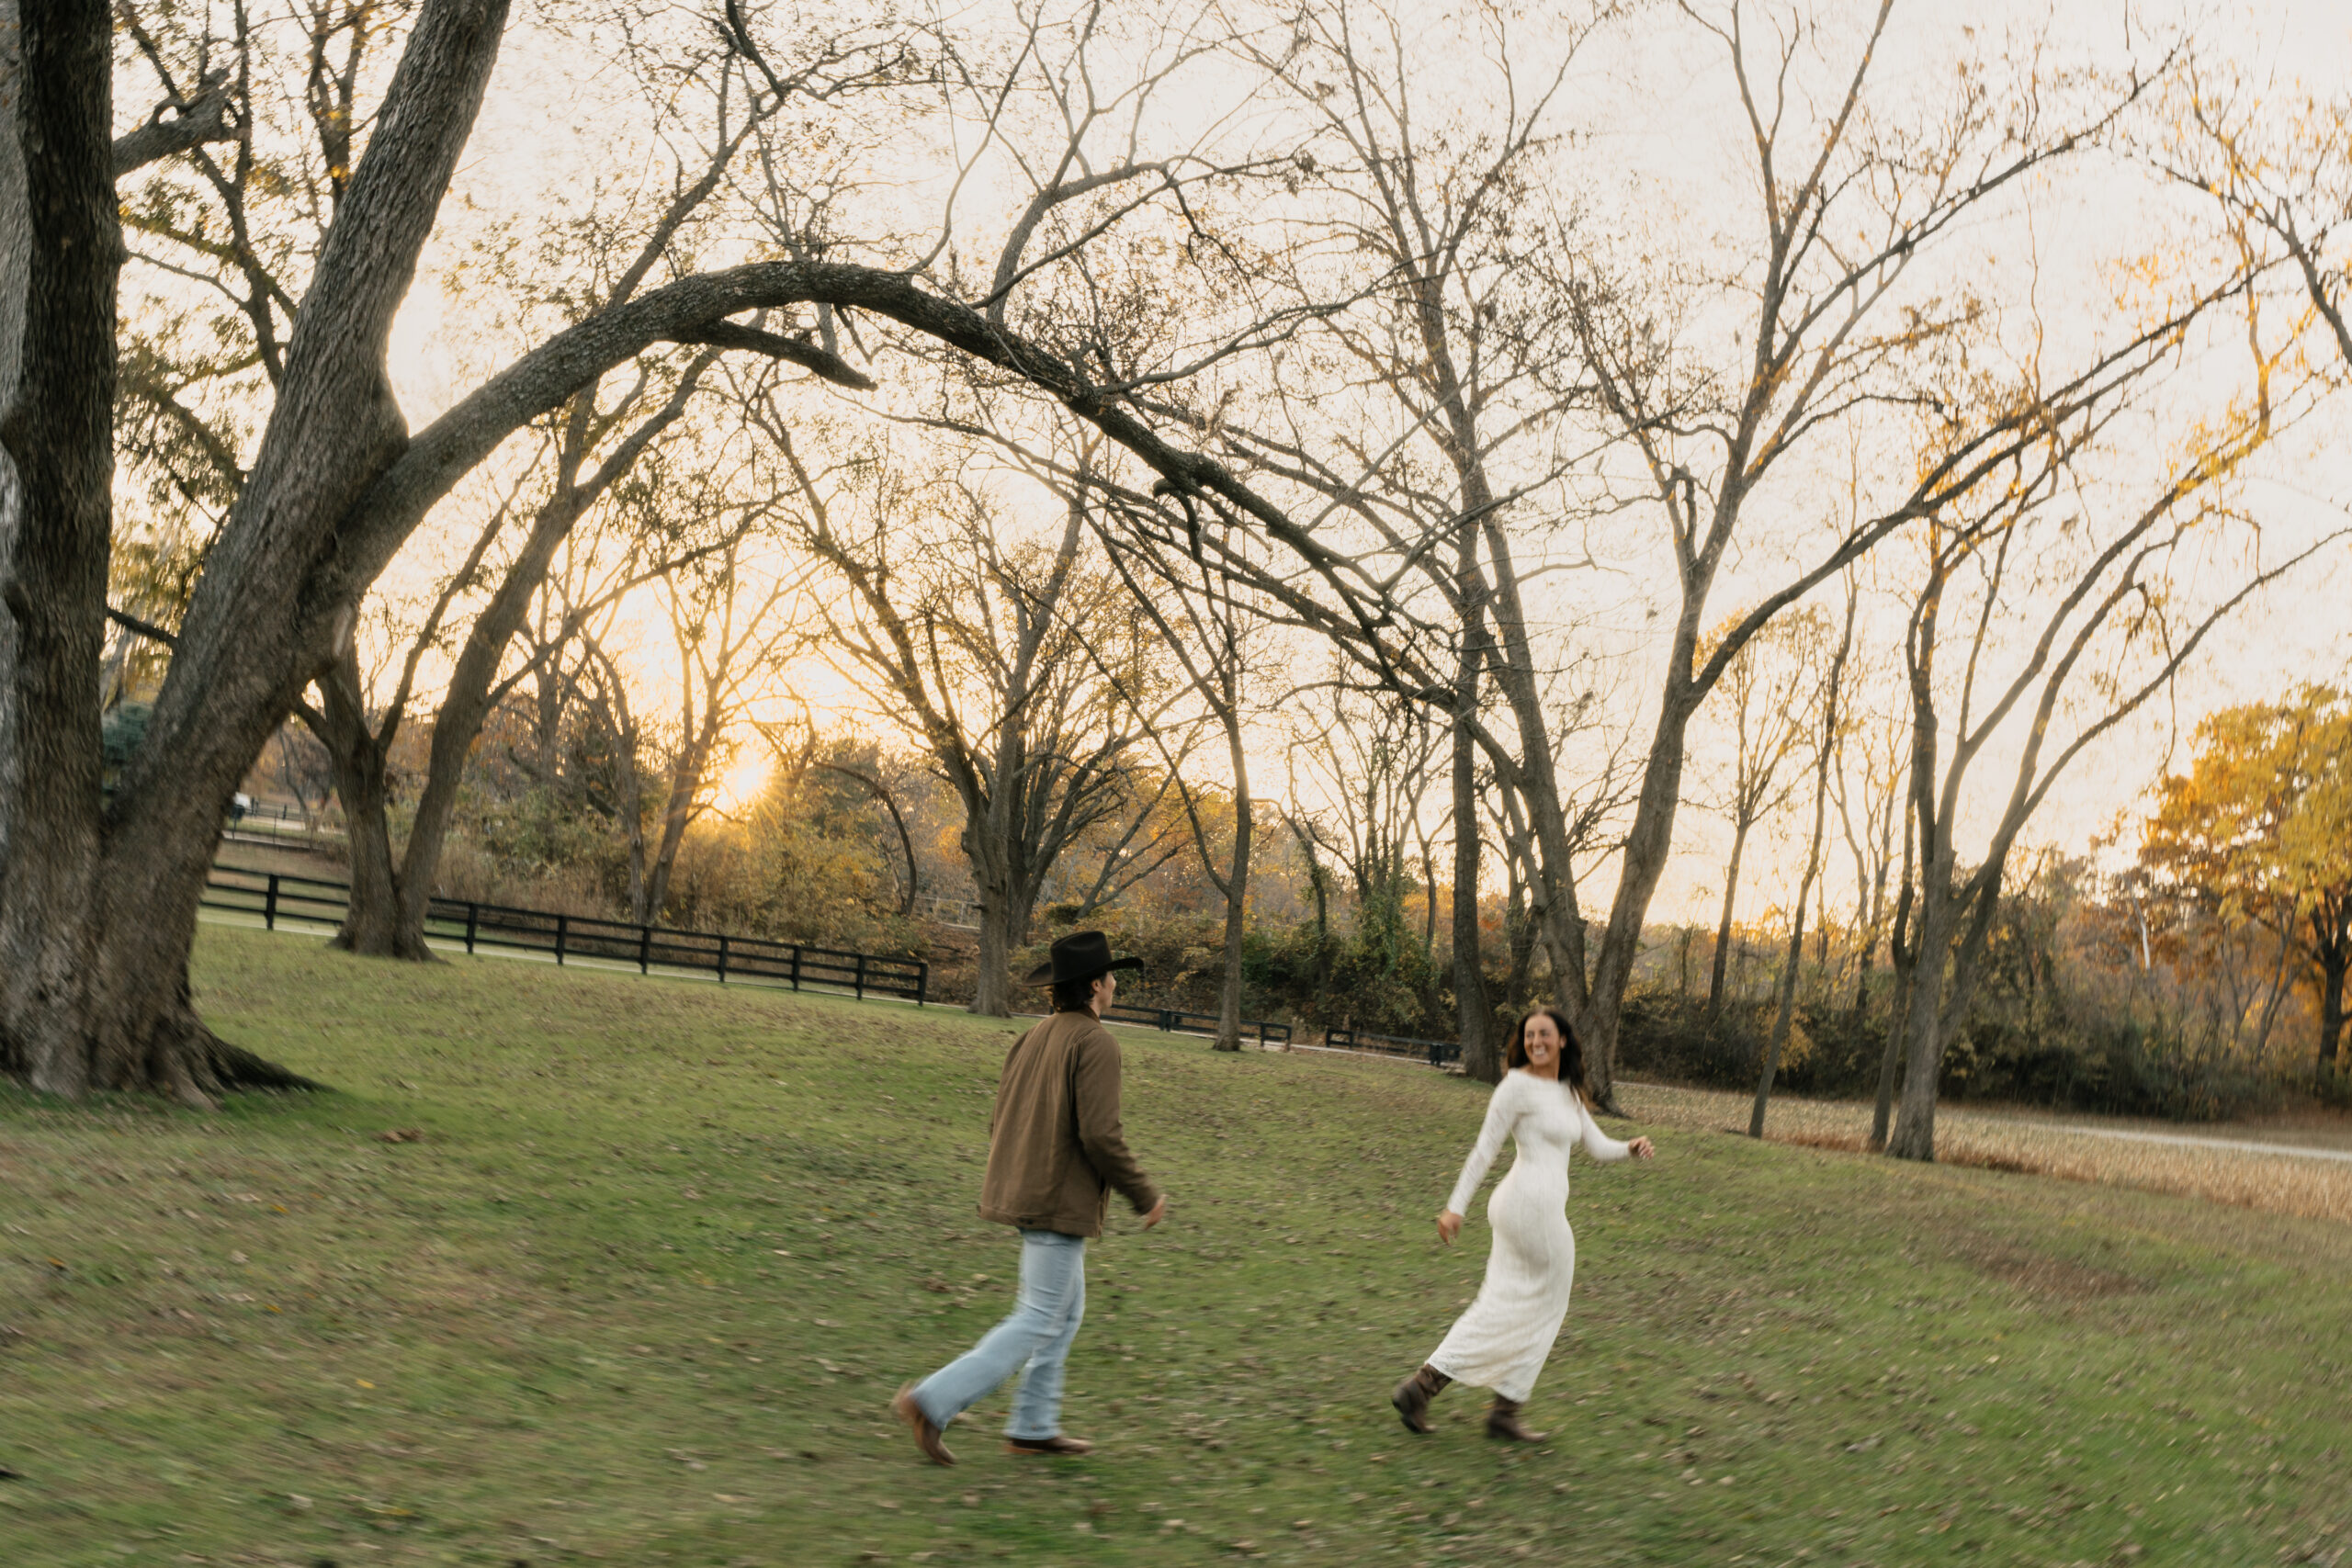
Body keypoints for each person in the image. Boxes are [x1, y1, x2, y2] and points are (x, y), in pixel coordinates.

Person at [892, 931, 1168, 1464]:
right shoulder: (1096, 1043)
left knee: (1063, 1313)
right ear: (1094, 986)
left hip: (1028, 1187)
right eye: (1111, 976)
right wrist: (1144, 1195)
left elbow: (999, 1118)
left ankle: (1033, 1425)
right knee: (1041, 1315)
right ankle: (931, 1401)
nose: (1115, 984)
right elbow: (1101, 1135)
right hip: (1054, 1198)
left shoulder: (1035, 1035)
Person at [1392, 1008, 1656, 1441]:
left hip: (1531, 1209)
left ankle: (1449, 1396)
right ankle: (1481, 1404)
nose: (1536, 1042)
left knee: (1504, 1301)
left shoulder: (1568, 1092)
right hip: (1529, 1209)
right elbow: (1484, 1149)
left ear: (1563, 1040)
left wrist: (1630, 1146)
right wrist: (1455, 1207)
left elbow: (1596, 1145)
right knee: (1537, 1306)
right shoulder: (1515, 1086)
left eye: (1545, 1035)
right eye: (1530, 1035)